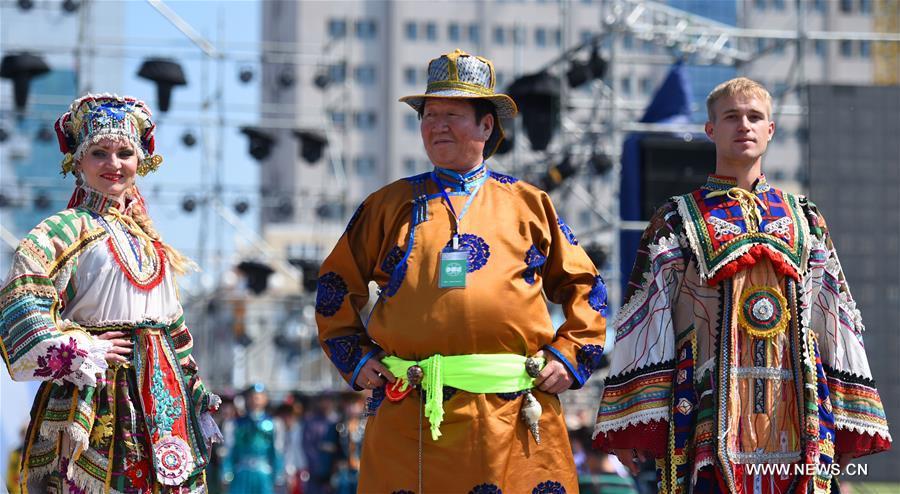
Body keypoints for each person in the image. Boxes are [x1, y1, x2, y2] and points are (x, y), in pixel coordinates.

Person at [316, 49, 607, 493]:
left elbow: (587, 286)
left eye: (452, 113)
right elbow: (335, 285)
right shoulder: (387, 205)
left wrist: (570, 356)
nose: (437, 125)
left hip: (512, 416)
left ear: (486, 126)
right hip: (408, 411)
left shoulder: (529, 203)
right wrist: (355, 358)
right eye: (429, 114)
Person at [594, 78, 891, 493]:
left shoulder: (805, 220)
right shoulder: (678, 218)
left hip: (799, 419)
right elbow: (647, 316)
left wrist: (848, 420)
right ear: (710, 129)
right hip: (705, 416)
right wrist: (633, 420)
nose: (744, 125)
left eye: (755, 117)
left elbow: (835, 317)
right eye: (732, 116)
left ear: (771, 129)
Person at [0, 94, 221, 492]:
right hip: (98, 394)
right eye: (99, 153)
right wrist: (79, 348)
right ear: (78, 162)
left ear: (141, 162)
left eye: (124, 153)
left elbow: (175, 329)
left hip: (163, 401)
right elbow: (20, 303)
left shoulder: (152, 241)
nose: (113, 164)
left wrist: (196, 393)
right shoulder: (65, 229)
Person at [222, 384, 282, 494]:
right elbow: (230, 449)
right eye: (252, 396)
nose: (256, 399)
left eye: (259, 396)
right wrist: (226, 470)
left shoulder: (273, 424)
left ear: (266, 399)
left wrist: (278, 473)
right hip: (241, 473)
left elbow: (276, 450)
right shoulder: (236, 424)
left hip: (263, 474)